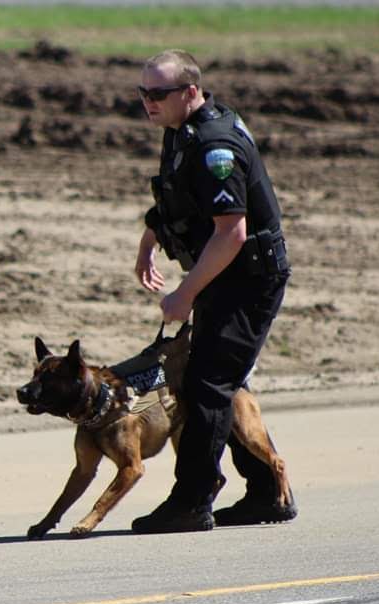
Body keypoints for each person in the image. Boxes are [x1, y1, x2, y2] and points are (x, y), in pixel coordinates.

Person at [129, 50, 296, 533]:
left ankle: (192, 502)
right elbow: (177, 198)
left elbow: (231, 233)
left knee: (207, 385)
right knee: (216, 380)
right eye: (143, 93)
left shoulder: (214, 145)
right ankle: (267, 493)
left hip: (246, 278)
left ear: (189, 92)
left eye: (157, 93)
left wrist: (184, 295)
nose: (148, 102)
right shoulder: (183, 132)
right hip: (224, 274)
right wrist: (149, 240)